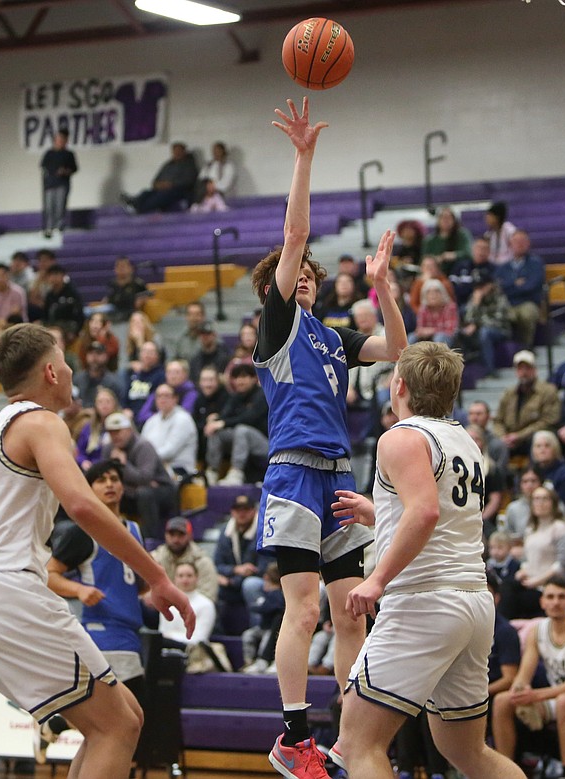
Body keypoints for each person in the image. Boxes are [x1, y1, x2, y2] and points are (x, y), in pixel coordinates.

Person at [0, 323, 195, 779]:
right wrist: (159, 577)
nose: (73, 370)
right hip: (5, 591)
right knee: (118, 726)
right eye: (65, 360)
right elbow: (82, 505)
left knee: (120, 721)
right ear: (52, 372)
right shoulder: (41, 421)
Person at [248, 98, 408, 776]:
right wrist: (305, 156)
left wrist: (385, 288)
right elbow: (293, 236)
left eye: (312, 271)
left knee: (352, 613)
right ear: (280, 289)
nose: (305, 272)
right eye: (296, 271)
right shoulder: (279, 325)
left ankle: (349, 736)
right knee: (306, 606)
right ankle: (292, 735)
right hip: (293, 470)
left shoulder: (334, 338)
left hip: (339, 473)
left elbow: (397, 348)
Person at [329, 340, 526, 779]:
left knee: (359, 743)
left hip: (424, 600)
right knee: (467, 750)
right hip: (473, 602)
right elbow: (438, 515)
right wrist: (378, 514)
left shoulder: (400, 438)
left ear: (397, 385)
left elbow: (425, 511)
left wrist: (377, 579)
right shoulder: (466, 441)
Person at [47, 459, 149, 700]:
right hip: (101, 631)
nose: (109, 484)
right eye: (101, 480)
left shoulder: (134, 530)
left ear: (123, 487)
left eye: (114, 479)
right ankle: (58, 721)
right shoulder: (83, 531)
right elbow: (48, 575)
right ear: (90, 489)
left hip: (130, 631)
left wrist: (149, 593)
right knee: (128, 718)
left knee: (122, 721)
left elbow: (134, 582)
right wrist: (79, 589)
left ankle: (57, 724)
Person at [491, 577, 565, 772]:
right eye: (550, 597)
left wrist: (537, 695)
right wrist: (519, 690)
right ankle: (505, 770)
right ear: (542, 602)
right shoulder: (537, 630)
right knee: (503, 700)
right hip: (554, 695)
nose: (555, 602)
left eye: (561, 597)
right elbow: (524, 674)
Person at [499, 485, 565, 619]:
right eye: (536, 499)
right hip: (530, 581)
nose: (540, 503)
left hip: (548, 586)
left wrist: (537, 581)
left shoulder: (560, 529)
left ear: (553, 503)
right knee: (505, 586)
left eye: (545, 499)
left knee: (515, 597)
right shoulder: (530, 529)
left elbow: (562, 565)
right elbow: (529, 560)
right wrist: (523, 571)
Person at [99, 413, 179, 538]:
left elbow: (144, 478)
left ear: (129, 430)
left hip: (162, 491)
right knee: (105, 490)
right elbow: (103, 475)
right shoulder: (108, 448)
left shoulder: (143, 446)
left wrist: (124, 465)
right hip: (130, 490)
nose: (115, 436)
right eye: (111, 432)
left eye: (118, 432)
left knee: (144, 493)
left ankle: (149, 539)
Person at [203, 362, 269, 486]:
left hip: (265, 443)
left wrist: (222, 423)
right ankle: (212, 471)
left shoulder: (262, 395)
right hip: (241, 442)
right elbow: (225, 415)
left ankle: (236, 472)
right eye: (236, 378)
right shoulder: (235, 397)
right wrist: (215, 420)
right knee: (215, 431)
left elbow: (249, 418)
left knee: (242, 429)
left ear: (254, 378)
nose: (240, 381)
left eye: (244, 377)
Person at [492, 350, 561, 457]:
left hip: (532, 437)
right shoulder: (509, 393)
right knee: (494, 445)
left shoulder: (548, 391)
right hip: (509, 439)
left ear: (534, 370)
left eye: (527, 368)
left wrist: (519, 436)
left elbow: (548, 421)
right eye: (520, 368)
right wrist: (503, 436)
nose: (524, 372)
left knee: (539, 440)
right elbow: (498, 420)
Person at [214, 493, 264, 621]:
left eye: (246, 509)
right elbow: (217, 565)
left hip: (257, 581)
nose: (242, 513)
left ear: (254, 511)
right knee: (211, 584)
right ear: (232, 512)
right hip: (232, 582)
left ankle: (257, 632)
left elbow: (264, 568)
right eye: (238, 510)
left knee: (250, 585)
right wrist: (236, 570)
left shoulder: (264, 530)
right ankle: (217, 632)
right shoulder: (225, 532)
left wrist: (232, 580)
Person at [494, 230, 546, 347]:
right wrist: (516, 284)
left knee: (527, 314)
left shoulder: (536, 263)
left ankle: (526, 347)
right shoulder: (503, 267)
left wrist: (510, 286)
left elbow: (531, 286)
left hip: (528, 302)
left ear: (528, 243)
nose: (520, 244)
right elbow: (499, 287)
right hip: (507, 303)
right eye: (516, 241)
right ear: (510, 244)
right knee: (499, 315)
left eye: (523, 241)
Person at [150, 516, 219, 600]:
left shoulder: (202, 561)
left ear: (190, 536)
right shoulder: (155, 558)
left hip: (193, 607)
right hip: (160, 606)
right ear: (165, 535)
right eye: (172, 534)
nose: (176, 539)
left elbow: (208, 595)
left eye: (181, 535)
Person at [141, 383, 198, 478]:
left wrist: (146, 459)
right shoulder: (151, 421)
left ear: (175, 399)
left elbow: (169, 451)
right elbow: (142, 445)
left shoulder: (183, 419)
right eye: (159, 396)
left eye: (166, 396)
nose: (162, 399)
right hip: (153, 466)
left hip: (179, 469)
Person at [123, 141, 199, 213]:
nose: (176, 153)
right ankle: (134, 203)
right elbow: (156, 179)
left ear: (184, 152)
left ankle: (139, 209)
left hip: (178, 190)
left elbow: (189, 181)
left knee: (160, 197)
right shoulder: (168, 165)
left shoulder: (189, 165)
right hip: (162, 189)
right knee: (146, 193)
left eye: (179, 151)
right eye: (175, 151)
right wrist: (157, 184)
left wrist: (171, 184)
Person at [40, 129, 77, 237]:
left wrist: (65, 171)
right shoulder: (49, 153)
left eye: (62, 139)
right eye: (58, 139)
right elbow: (44, 167)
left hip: (62, 184)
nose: (60, 141)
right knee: (49, 206)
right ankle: (49, 227)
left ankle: (60, 227)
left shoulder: (69, 154)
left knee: (60, 206)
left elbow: (74, 168)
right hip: (49, 185)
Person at [100, 256, 149, 321]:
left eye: (123, 266)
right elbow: (106, 300)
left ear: (131, 268)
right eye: (118, 266)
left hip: (130, 316)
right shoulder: (112, 284)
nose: (121, 269)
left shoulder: (138, 284)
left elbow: (145, 297)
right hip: (112, 315)